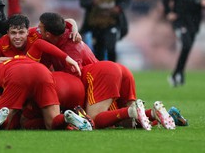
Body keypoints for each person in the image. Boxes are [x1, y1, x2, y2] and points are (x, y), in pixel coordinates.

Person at [38, 12, 176, 130]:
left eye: (40, 29)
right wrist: (74, 24)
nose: (37, 31)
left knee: (93, 120)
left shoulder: (70, 49)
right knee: (126, 123)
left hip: (102, 75)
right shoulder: (65, 30)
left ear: (49, 34)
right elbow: (68, 21)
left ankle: (131, 111)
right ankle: (153, 113)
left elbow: (75, 84)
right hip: (118, 71)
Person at [163, 0, 205, 87]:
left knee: (187, 48)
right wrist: (168, 12)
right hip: (180, 22)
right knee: (186, 45)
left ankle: (177, 73)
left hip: (194, 24)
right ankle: (178, 74)